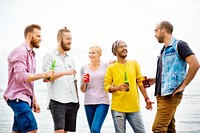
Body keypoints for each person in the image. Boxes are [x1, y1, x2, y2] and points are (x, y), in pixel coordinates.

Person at [3, 24, 54, 133]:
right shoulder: (20, 52)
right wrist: (44, 74)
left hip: (25, 99)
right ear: (30, 36)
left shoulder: (31, 54)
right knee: (32, 129)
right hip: (17, 98)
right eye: (38, 36)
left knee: (17, 131)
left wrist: (33, 100)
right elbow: (21, 77)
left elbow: (29, 81)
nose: (41, 39)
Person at [150, 21, 200, 133]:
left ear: (163, 29)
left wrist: (184, 85)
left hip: (170, 95)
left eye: (156, 30)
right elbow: (169, 71)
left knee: (158, 128)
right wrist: (155, 79)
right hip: (161, 95)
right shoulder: (164, 49)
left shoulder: (180, 45)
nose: (155, 34)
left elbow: (195, 64)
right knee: (169, 129)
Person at [104, 40, 154, 133]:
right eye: (121, 47)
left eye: (125, 46)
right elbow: (106, 87)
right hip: (118, 109)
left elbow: (140, 82)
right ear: (115, 51)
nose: (124, 48)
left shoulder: (134, 63)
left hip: (134, 108)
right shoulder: (111, 67)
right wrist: (117, 88)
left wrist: (147, 99)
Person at [42, 27, 79, 133]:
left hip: (72, 101)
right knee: (59, 130)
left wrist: (77, 102)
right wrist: (64, 72)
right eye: (67, 38)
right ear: (59, 39)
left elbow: (73, 81)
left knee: (65, 131)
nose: (70, 41)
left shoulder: (70, 59)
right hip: (57, 100)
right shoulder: (50, 56)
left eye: (71, 39)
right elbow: (46, 78)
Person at [80, 45, 110, 133]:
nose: (90, 55)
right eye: (89, 53)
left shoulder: (106, 66)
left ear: (100, 54)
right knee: (92, 131)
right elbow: (83, 89)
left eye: (93, 53)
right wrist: (84, 81)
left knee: (95, 129)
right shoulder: (84, 68)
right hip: (88, 102)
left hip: (102, 102)